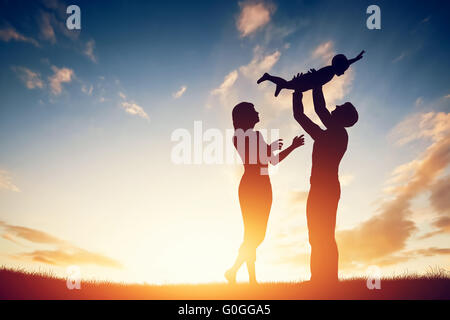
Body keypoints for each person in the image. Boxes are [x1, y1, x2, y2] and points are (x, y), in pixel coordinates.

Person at [225, 102, 304, 284]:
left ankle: (241, 274)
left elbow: (266, 157)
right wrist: (291, 146)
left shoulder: (243, 136)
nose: (258, 112)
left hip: (257, 185)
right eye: (253, 110)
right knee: (254, 235)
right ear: (245, 116)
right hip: (256, 186)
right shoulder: (247, 135)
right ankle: (241, 273)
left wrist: (274, 147)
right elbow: (268, 159)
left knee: (254, 235)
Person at [292, 81, 358, 285]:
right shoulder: (328, 133)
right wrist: (300, 92)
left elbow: (317, 111)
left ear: (343, 118)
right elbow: (302, 116)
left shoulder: (337, 134)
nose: (335, 107)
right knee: (316, 235)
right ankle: (319, 279)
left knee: (325, 235)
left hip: (326, 189)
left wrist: (316, 84)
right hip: (321, 188)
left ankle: (328, 279)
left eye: (340, 108)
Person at [257, 51, 364, 97]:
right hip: (307, 81)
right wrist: (354, 59)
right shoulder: (330, 71)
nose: (343, 72)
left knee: (288, 85)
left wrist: (355, 59)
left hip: (308, 82)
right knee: (288, 85)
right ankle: (269, 77)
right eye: (343, 69)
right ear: (339, 66)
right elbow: (318, 77)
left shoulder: (331, 70)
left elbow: (344, 64)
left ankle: (276, 82)